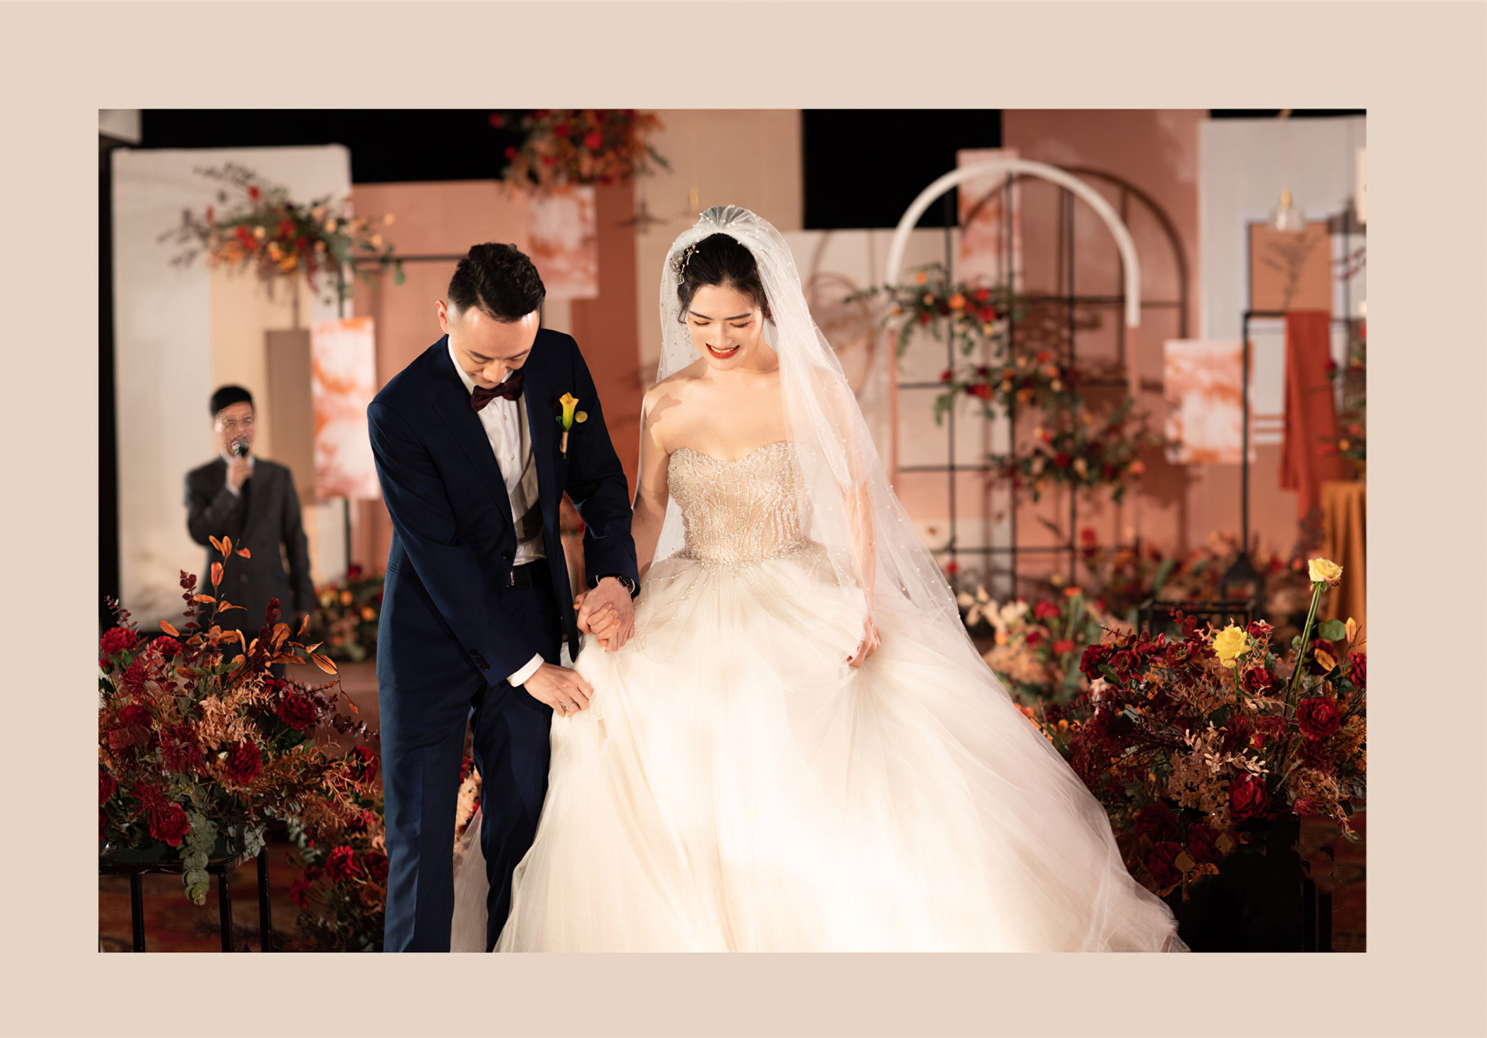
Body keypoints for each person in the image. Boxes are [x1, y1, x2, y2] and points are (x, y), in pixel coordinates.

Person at [450, 207, 1187, 952]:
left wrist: (863, 600)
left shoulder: (811, 389)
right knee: (619, 711)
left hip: (794, 590)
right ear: (683, 317)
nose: (720, 338)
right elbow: (650, 507)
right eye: (703, 322)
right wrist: (619, 584)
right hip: (694, 590)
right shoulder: (665, 402)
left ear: (768, 310)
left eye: (739, 321)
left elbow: (856, 495)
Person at [367, 243, 639, 953]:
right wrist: (527, 668)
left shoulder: (558, 360)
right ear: (443, 316)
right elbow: (441, 557)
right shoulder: (397, 411)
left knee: (525, 825)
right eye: (480, 359)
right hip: (432, 626)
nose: (498, 374)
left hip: (531, 605)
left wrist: (615, 576)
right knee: (421, 837)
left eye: (514, 359)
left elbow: (600, 483)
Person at [184, 385, 318, 672]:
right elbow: (199, 532)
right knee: (222, 693)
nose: (240, 430)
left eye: (247, 420)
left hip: (270, 606)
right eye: (229, 422)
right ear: (215, 426)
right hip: (221, 611)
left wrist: (305, 601)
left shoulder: (278, 476)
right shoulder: (200, 478)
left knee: (272, 691)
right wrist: (229, 490)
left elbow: (295, 539)